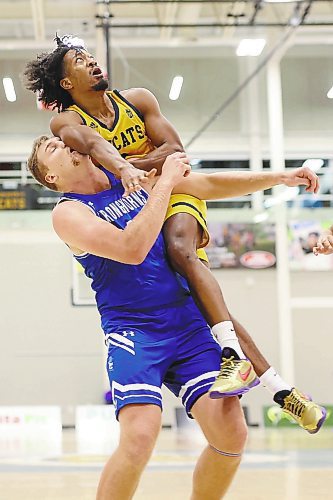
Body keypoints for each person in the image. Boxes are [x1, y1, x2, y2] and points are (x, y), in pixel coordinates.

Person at [23, 35, 326, 433]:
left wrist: (137, 169)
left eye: (92, 56)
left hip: (166, 188)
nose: (93, 62)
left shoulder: (138, 99)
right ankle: (281, 389)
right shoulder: (66, 125)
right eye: (81, 60)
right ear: (65, 83)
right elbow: (94, 143)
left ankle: (236, 357)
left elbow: (176, 150)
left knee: (181, 254)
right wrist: (131, 170)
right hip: (146, 194)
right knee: (190, 290)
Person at [27, 136, 326, 498]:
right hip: (135, 329)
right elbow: (131, 249)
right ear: (51, 178)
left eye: (60, 140)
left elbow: (206, 185)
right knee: (139, 437)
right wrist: (164, 182)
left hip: (186, 322)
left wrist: (279, 177)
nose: (63, 143)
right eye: (52, 149)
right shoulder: (68, 212)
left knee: (231, 433)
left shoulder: (124, 173)